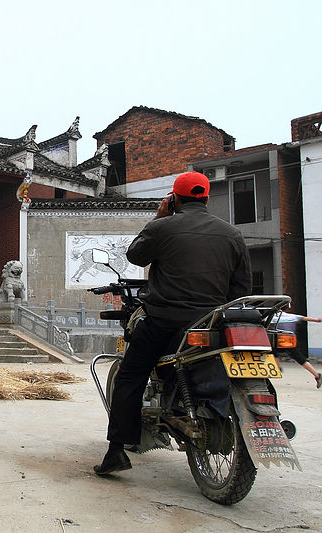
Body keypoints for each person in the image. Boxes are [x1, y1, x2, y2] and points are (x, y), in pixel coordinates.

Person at [94, 171, 252, 476]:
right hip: (211, 325)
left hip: (164, 322)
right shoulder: (232, 234)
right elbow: (240, 288)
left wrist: (158, 218)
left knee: (130, 376)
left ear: (174, 198)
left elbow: (135, 256)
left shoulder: (164, 227)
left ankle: (116, 452)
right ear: (206, 197)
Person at [270, 310, 322, 388]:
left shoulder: (270, 318)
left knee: (271, 351)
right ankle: (317, 375)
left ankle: (277, 367)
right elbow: (317, 320)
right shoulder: (293, 316)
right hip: (290, 340)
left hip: (277, 340)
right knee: (300, 358)